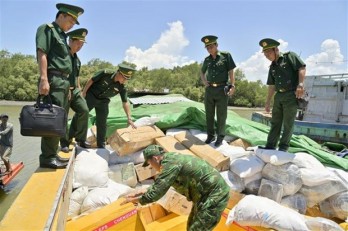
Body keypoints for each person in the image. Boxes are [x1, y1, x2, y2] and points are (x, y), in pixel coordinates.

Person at [123, 144, 229, 231]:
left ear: (155, 158)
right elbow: (159, 185)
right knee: (191, 226)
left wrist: (136, 200)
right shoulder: (170, 160)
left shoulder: (170, 165)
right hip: (203, 196)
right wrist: (141, 192)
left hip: (215, 196)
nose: (152, 168)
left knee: (197, 229)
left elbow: (156, 193)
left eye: (150, 164)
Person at [36, 3, 84, 169]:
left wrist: (69, 88)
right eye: (70, 21)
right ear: (61, 15)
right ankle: (47, 158)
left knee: (59, 120)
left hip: (63, 83)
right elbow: (42, 52)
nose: (71, 25)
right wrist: (44, 78)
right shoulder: (47, 29)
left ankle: (52, 154)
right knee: (52, 119)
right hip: (53, 79)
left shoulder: (62, 36)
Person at [259, 38, 306, 151]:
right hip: (279, 96)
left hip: (291, 95)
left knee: (288, 123)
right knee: (275, 122)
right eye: (265, 53)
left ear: (276, 49)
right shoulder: (272, 67)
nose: (266, 55)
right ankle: (270, 146)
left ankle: (283, 148)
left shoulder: (289, 56)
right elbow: (271, 86)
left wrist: (300, 84)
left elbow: (302, 67)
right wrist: (268, 102)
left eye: (268, 52)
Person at [82, 64, 137, 148]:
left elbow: (125, 102)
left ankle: (101, 144)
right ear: (119, 73)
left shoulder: (121, 87)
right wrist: (84, 92)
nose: (125, 80)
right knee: (81, 115)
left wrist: (129, 117)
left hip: (104, 101)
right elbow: (92, 80)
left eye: (127, 79)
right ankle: (76, 139)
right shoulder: (105, 73)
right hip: (91, 96)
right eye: (124, 78)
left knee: (102, 122)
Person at [200, 35, 236, 147]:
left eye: (211, 46)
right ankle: (210, 136)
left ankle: (220, 137)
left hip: (222, 89)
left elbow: (231, 71)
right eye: (207, 48)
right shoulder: (207, 60)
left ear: (216, 45)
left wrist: (233, 85)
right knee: (209, 114)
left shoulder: (225, 56)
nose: (209, 49)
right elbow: (202, 72)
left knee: (221, 115)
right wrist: (205, 83)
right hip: (210, 90)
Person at [60, 28, 91, 153]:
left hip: (75, 91)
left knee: (84, 110)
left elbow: (77, 77)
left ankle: (80, 139)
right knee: (63, 116)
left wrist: (79, 91)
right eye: (78, 43)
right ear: (70, 41)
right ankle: (64, 142)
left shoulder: (77, 60)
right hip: (63, 90)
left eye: (82, 44)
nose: (80, 46)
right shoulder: (63, 55)